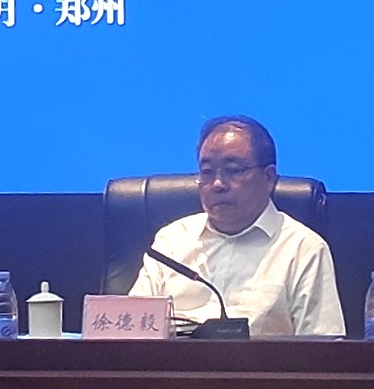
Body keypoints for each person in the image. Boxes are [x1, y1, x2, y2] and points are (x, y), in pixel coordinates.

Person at [128, 115, 345, 335]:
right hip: (172, 357)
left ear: (269, 178)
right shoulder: (171, 242)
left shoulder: (303, 249)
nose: (218, 184)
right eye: (207, 172)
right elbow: (131, 330)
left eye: (233, 170)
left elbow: (323, 345)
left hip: (257, 358)